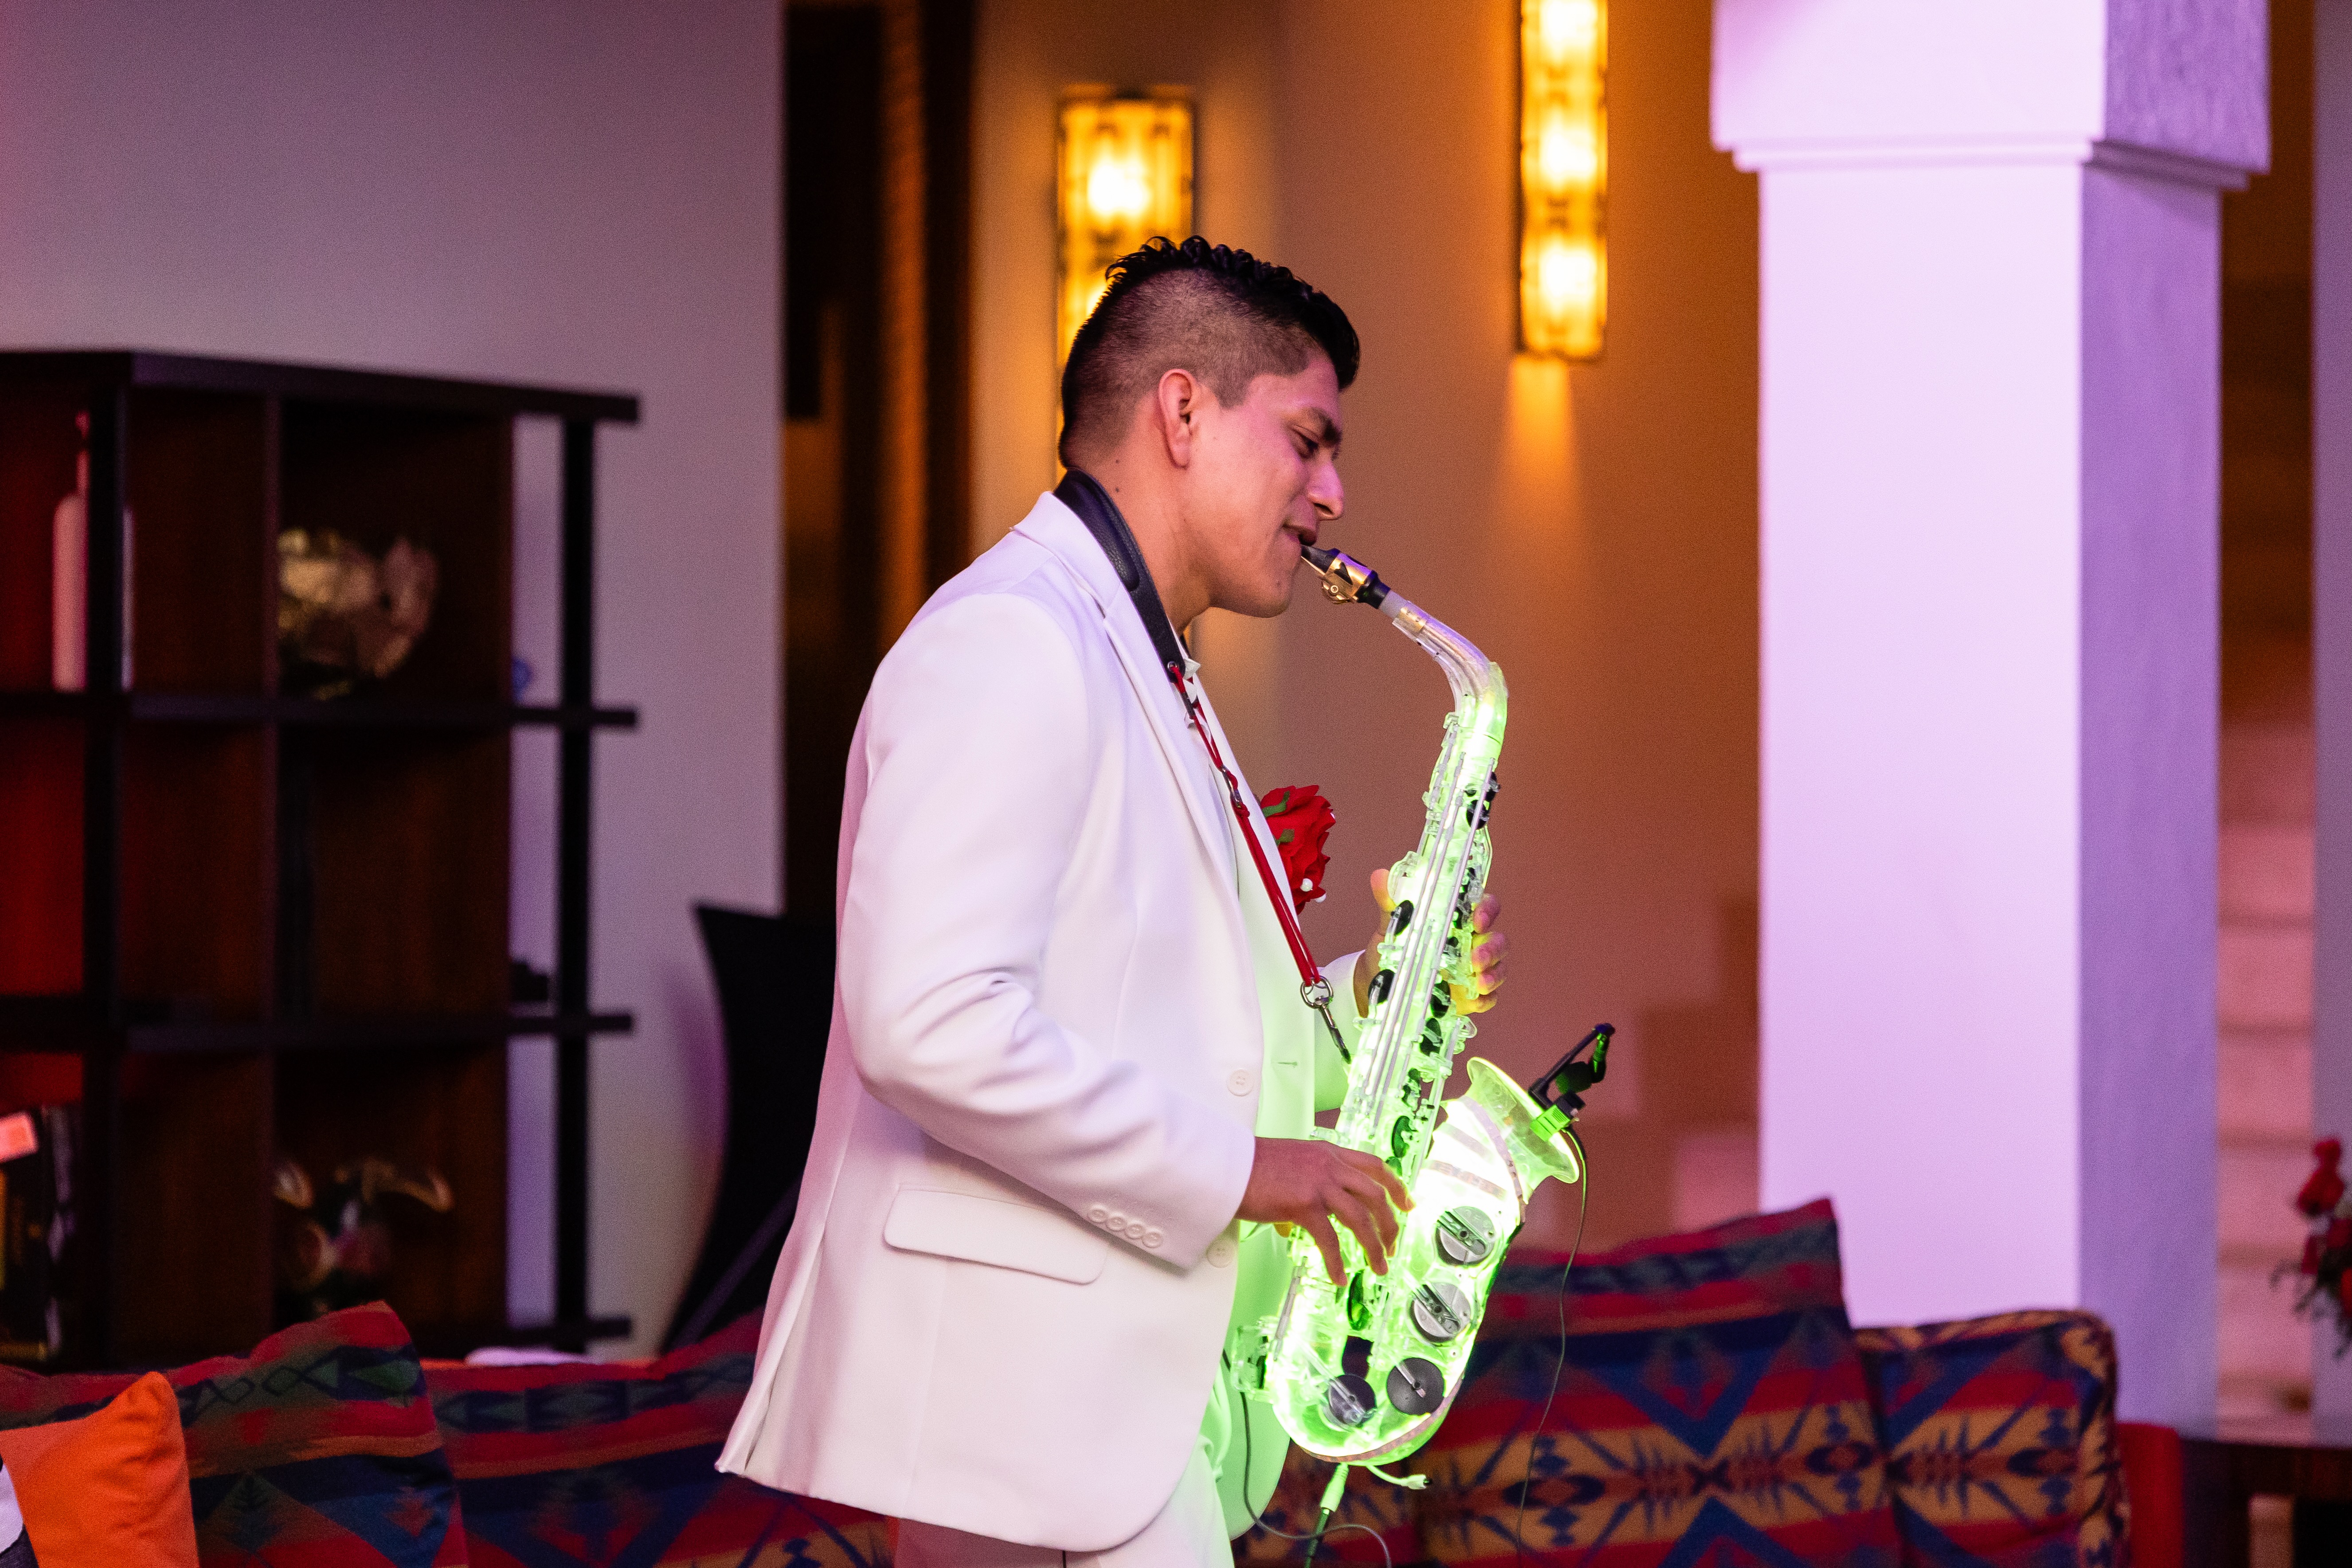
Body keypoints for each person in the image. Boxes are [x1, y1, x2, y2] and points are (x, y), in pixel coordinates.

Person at [717, 236, 1509, 1567]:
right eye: (1307, 440)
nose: (1333, 492)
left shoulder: (1144, 656)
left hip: (1108, 1403)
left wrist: (1383, 998)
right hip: (1022, 1409)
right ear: (1183, 412)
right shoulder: (1012, 637)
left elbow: (1171, 1025)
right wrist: (1247, 1172)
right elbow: (928, 1022)